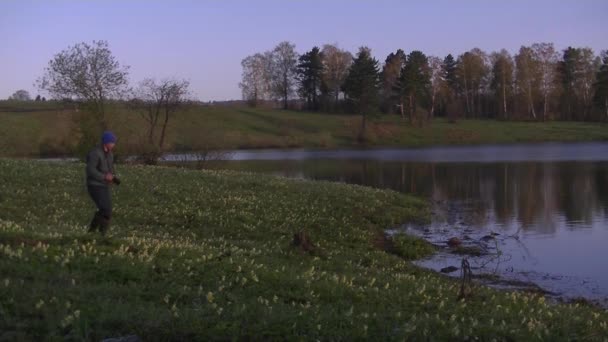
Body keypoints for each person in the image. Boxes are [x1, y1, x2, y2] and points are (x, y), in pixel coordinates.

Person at [86, 131, 118, 235]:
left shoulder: (110, 154)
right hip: (94, 185)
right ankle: (101, 235)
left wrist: (113, 177)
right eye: (112, 142)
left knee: (105, 210)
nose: (113, 145)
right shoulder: (95, 153)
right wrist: (104, 176)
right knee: (105, 209)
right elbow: (90, 170)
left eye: (114, 142)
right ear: (106, 142)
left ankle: (92, 233)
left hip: (104, 185)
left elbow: (110, 169)